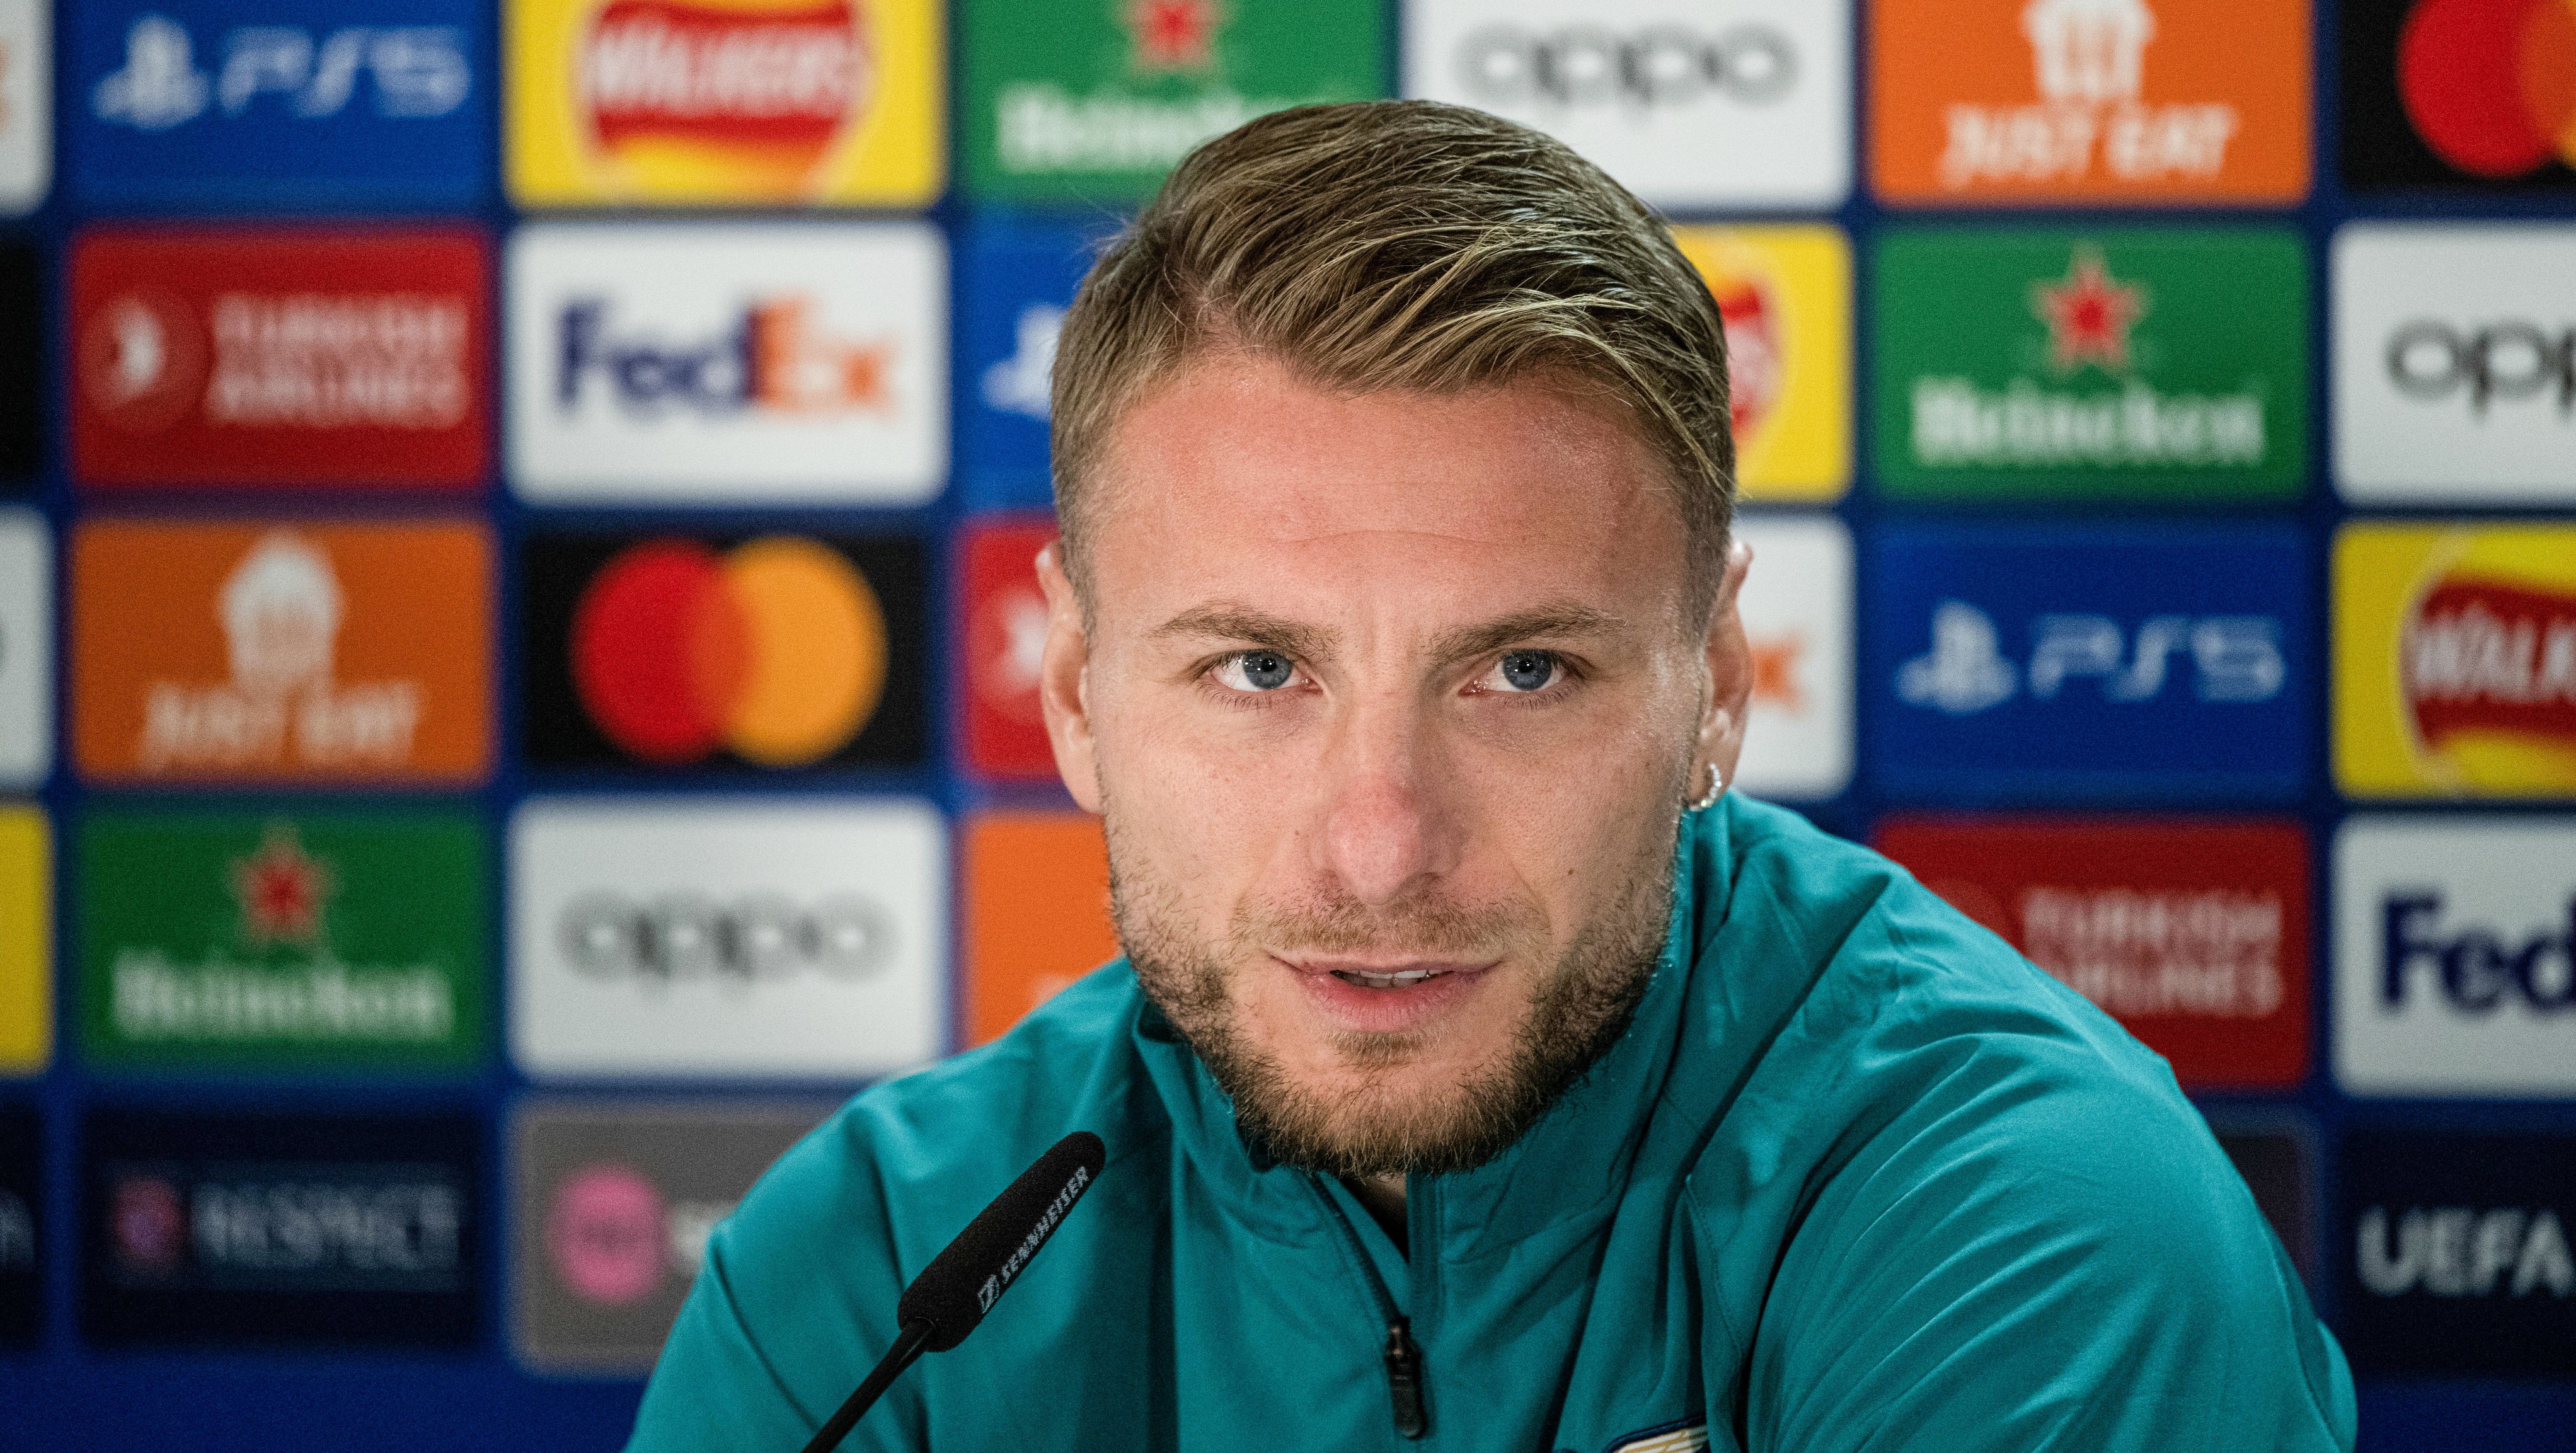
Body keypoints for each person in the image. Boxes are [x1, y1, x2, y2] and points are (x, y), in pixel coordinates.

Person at [626, 101, 2355, 1452]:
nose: (1382, 843)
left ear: (1716, 695)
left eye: (1523, 672)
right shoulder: (877, 1278)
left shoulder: (2024, 1231)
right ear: (1078, 694)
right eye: (1260, 669)